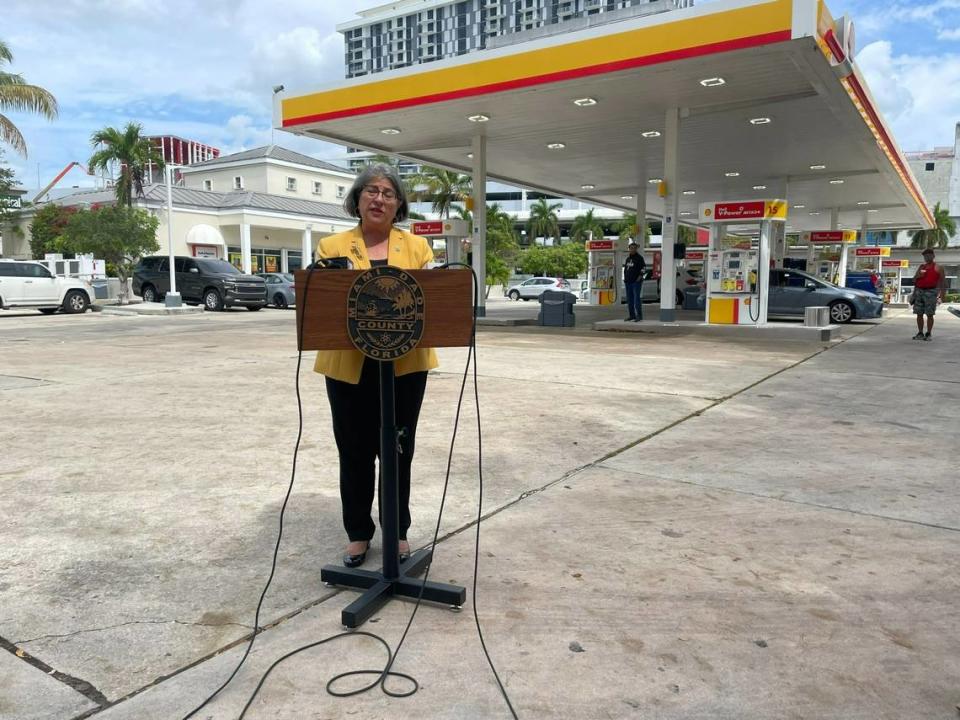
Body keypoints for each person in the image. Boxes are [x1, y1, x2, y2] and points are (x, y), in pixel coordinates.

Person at [314, 164, 437, 567]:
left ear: (399, 203)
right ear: (357, 199)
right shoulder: (331, 247)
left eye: (388, 192)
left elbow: (433, 306)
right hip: (349, 366)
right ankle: (358, 533)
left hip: (405, 367)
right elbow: (322, 302)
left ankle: (396, 531)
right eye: (371, 191)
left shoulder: (418, 249)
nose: (379, 198)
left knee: (399, 450)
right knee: (354, 450)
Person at [912, 248, 945, 341]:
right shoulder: (921, 267)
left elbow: (943, 282)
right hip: (919, 291)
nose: (927, 257)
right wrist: (918, 276)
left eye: (929, 255)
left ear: (933, 256)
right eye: (925, 256)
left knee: (930, 314)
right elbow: (914, 280)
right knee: (919, 313)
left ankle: (929, 333)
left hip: (931, 292)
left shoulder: (938, 267)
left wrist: (942, 296)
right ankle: (920, 333)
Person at [623, 242, 645, 321]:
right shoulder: (628, 259)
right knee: (629, 300)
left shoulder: (639, 258)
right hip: (627, 282)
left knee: (636, 300)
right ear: (629, 249)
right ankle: (632, 315)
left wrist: (640, 276)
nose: (632, 249)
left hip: (636, 282)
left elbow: (643, 268)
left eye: (634, 248)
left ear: (636, 249)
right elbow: (626, 269)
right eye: (631, 248)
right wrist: (625, 279)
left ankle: (639, 316)